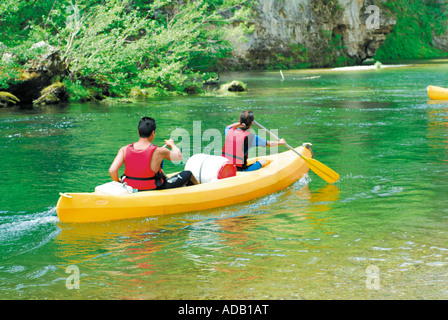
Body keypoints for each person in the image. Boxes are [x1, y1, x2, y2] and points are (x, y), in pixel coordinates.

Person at [109, 117, 197, 191]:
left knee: (160, 171)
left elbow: (112, 170)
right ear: (153, 133)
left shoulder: (124, 149)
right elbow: (178, 157)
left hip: (130, 187)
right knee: (188, 174)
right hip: (153, 188)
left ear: (138, 132)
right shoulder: (159, 151)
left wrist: (118, 182)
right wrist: (172, 145)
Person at [222, 110, 286, 171]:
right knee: (262, 161)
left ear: (239, 121)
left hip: (225, 168)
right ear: (251, 123)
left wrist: (240, 123)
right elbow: (269, 144)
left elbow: (228, 126)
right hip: (241, 171)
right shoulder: (251, 137)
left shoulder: (229, 131)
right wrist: (280, 142)